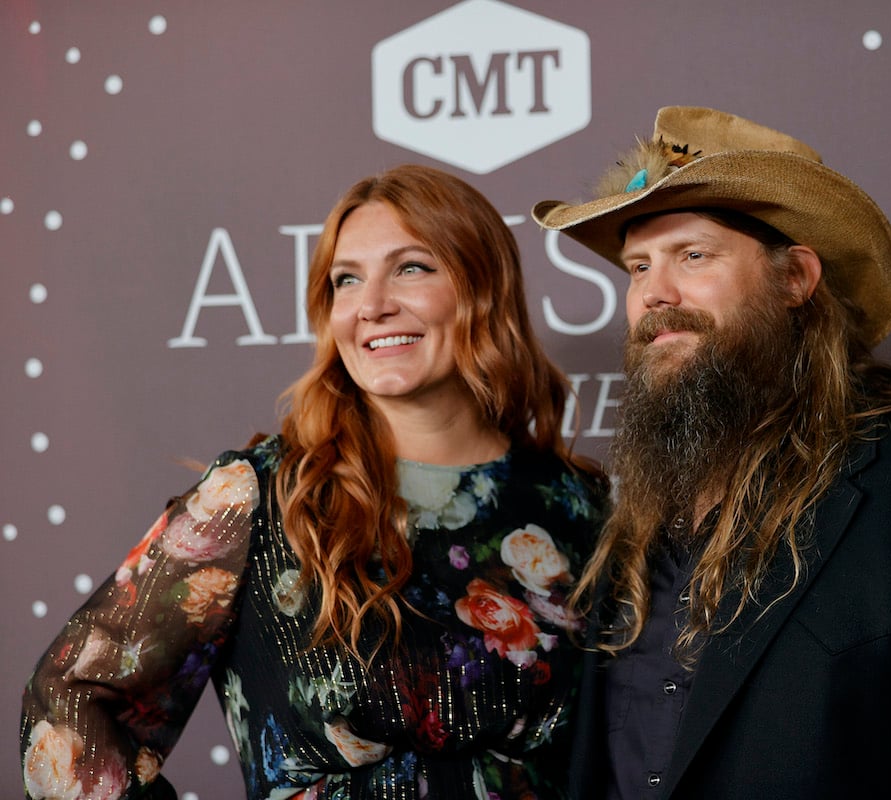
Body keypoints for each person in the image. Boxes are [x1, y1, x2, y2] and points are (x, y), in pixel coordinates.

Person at [532, 106, 891, 798]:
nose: (654, 294)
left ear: (795, 278)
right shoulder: (630, 525)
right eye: (638, 266)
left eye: (693, 255)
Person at [21, 164, 608, 799]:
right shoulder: (262, 495)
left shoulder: (577, 507)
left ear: (483, 286)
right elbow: (68, 704)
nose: (373, 305)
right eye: (346, 280)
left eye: (411, 267)